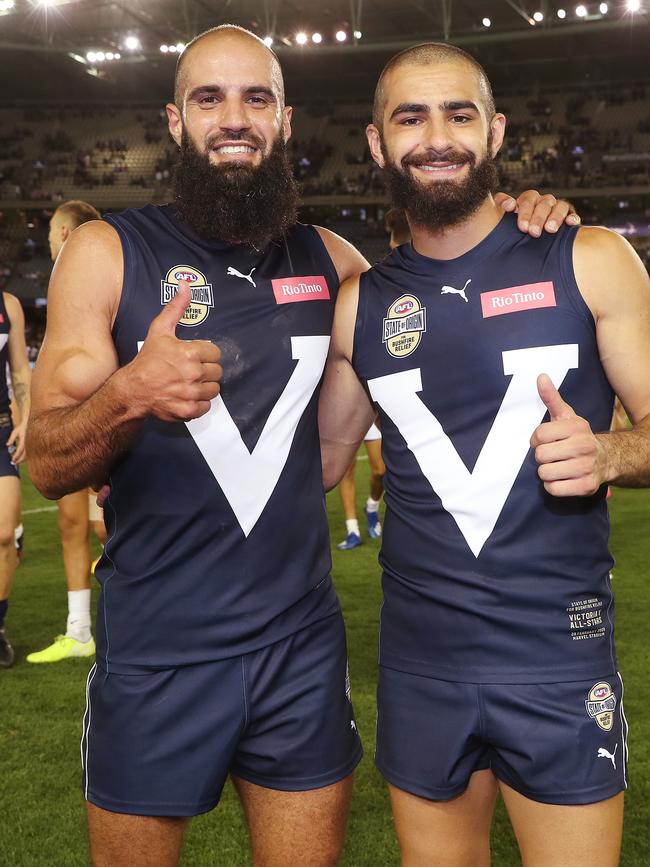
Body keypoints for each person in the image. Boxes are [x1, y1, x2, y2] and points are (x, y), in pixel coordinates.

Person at [26, 26, 576, 867]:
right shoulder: (109, 253)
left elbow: (443, 283)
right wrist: (130, 393)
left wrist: (524, 214)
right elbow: (48, 460)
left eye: (257, 99)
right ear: (176, 121)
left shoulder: (331, 264)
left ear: (285, 120)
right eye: (210, 99)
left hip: (300, 652)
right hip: (158, 652)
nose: (235, 118)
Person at [319, 42, 647, 867]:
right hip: (419, 668)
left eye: (459, 114)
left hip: (557, 660)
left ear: (494, 130)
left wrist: (612, 454)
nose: (437, 137)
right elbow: (320, 460)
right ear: (375, 143)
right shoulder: (359, 305)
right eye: (411, 117)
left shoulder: (588, 257)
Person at [27, 200, 107, 664]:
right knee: (71, 521)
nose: (51, 238)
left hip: (100, 418)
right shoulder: (61, 282)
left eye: (57, 229)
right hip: (65, 417)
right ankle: (79, 629)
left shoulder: (99, 276)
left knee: (108, 525)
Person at [0, 291, 31, 667]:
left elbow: (20, 368)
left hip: (1, 427)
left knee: (6, 533)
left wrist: (26, 419)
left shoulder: (9, 305)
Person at [336, 422, 385, 550]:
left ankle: (371, 507)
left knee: (381, 471)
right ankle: (352, 531)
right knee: (346, 471)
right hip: (346, 416)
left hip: (370, 413)